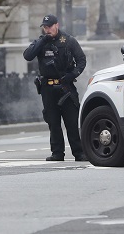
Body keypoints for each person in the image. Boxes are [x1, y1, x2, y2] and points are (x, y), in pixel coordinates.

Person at [24, 13, 87, 161]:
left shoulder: (68, 40)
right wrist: (42, 41)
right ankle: (57, 153)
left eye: (50, 27)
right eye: (45, 27)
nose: (47, 30)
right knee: (53, 121)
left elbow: (81, 60)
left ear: (56, 25)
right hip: (48, 87)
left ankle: (79, 152)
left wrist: (72, 75)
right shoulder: (41, 42)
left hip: (65, 86)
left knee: (71, 121)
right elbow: (28, 55)